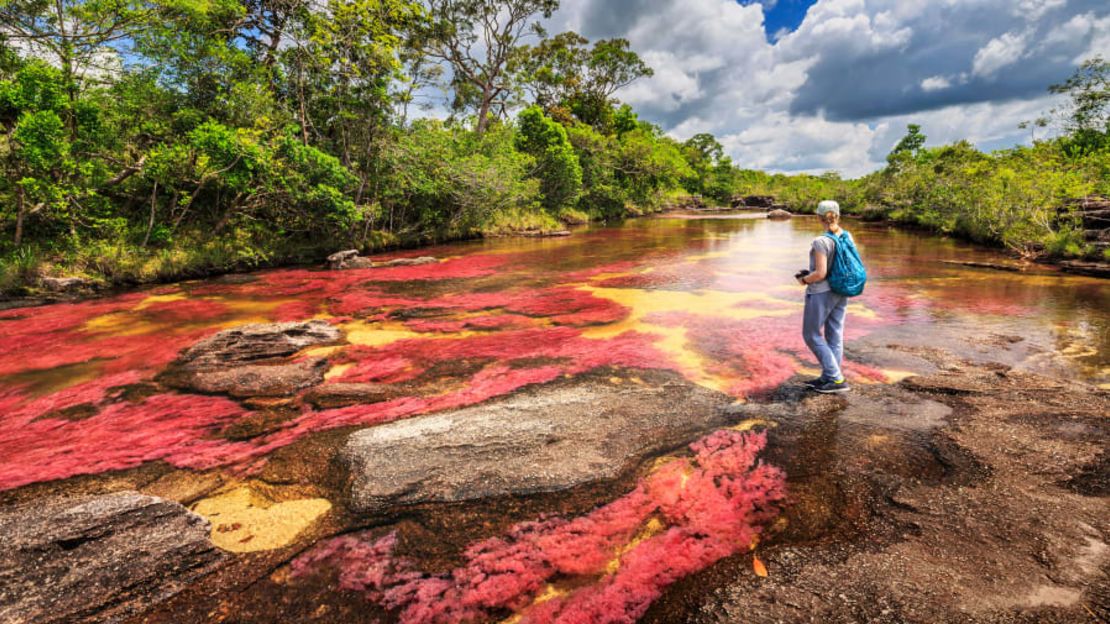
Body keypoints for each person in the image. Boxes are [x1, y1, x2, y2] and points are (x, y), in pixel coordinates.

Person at [797, 200, 850, 393]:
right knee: (834, 334)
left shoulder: (821, 241)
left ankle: (836, 379)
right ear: (837, 215)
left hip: (822, 292)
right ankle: (829, 376)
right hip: (842, 290)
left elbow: (820, 274)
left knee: (810, 334)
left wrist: (804, 280)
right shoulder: (846, 236)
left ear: (819, 217)